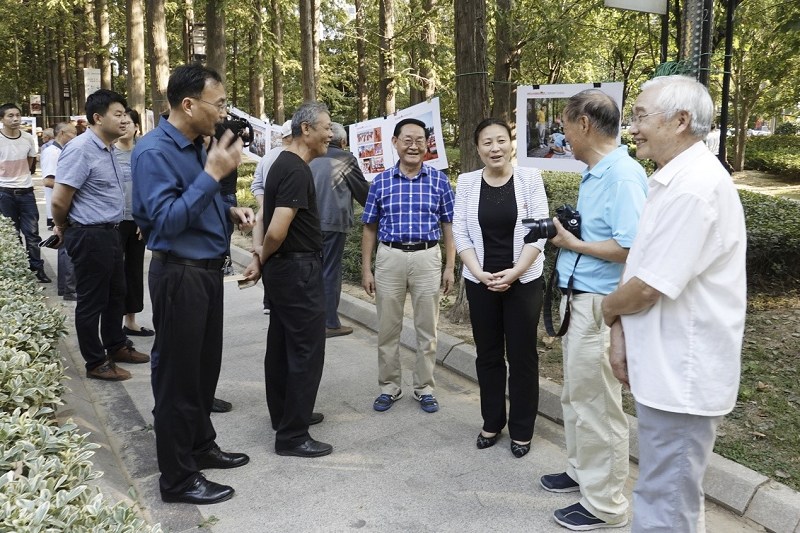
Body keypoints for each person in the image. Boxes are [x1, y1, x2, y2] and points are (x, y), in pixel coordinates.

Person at [601, 75, 747, 532]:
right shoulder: (674, 180)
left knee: (666, 500)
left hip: (682, 375)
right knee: (665, 491)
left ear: (681, 121)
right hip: (665, 367)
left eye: (641, 115)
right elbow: (642, 266)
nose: (632, 127)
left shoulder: (694, 187)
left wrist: (608, 310)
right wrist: (620, 332)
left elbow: (648, 286)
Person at [132, 64, 257, 505]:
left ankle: (201, 447)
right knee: (177, 379)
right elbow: (163, 223)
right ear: (188, 104)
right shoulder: (153, 152)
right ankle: (178, 479)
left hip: (205, 272)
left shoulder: (193, 146)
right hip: (178, 273)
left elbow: (194, 202)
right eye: (218, 103)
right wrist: (212, 174)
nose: (223, 112)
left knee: (204, 371)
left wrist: (229, 209)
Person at [540, 89, 648, 531]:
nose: (562, 134)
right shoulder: (598, 172)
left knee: (599, 404)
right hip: (578, 301)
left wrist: (572, 243)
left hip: (599, 307)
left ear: (583, 124)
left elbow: (631, 247)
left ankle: (606, 504)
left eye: (565, 125)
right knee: (576, 396)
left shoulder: (622, 176)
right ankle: (582, 472)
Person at [452, 118, 548, 458]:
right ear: (477, 148)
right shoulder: (466, 182)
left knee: (522, 356)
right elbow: (460, 232)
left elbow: (539, 230)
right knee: (488, 355)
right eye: (487, 143)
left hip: (523, 281)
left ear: (511, 144)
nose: (495, 148)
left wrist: (515, 271)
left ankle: (522, 429)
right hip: (480, 281)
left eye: (501, 141)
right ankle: (492, 421)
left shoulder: (529, 178)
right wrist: (478, 272)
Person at [243, 102, 333, 458]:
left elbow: (264, 216)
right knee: (306, 349)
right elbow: (277, 229)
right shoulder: (295, 169)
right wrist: (261, 258)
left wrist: (258, 257)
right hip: (297, 271)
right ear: (306, 129)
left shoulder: (279, 162)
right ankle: (293, 435)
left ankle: (285, 415)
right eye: (326, 127)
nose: (332, 134)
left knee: (281, 345)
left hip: (285, 270)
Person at [51, 90, 150, 381]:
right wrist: (63, 227)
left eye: (125, 114)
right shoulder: (81, 149)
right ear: (97, 117)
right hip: (90, 234)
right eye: (117, 114)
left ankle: (116, 345)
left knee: (115, 295)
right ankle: (95, 362)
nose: (124, 120)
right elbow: (59, 199)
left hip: (110, 232)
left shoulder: (106, 148)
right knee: (92, 301)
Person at [361, 117, 456, 414]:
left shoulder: (439, 180)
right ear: (395, 143)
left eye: (419, 140)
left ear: (427, 145)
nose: (413, 146)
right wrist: (367, 268)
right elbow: (369, 228)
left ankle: (425, 387)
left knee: (428, 329)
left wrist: (450, 265)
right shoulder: (381, 181)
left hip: (428, 257)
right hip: (390, 257)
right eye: (407, 140)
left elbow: (449, 226)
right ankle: (389, 386)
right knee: (388, 328)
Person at [309, 122, 369, 338]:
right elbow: (363, 193)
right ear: (343, 142)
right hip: (333, 222)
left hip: (308, 223)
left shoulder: (310, 155)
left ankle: (313, 320)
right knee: (331, 271)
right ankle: (330, 323)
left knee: (314, 270)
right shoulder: (346, 158)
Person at [0, 102, 49, 282]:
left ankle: (37, 268)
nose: (15, 119)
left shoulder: (28, 138)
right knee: (11, 234)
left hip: (26, 192)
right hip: (4, 193)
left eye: (17, 115)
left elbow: (30, 163)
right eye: (10, 116)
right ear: (2, 119)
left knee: (32, 233)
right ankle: (19, 271)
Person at [115, 108, 153, 337]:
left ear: (137, 127)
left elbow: (150, 187)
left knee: (134, 271)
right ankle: (112, 322)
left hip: (137, 221)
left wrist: (144, 217)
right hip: (115, 221)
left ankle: (131, 320)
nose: (124, 126)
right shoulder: (109, 152)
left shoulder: (144, 152)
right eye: (121, 122)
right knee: (115, 272)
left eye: (129, 122)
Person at [251, 119, 293, 315]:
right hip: (286, 215)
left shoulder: (267, 157)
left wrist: (264, 206)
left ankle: (269, 301)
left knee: (270, 256)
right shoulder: (292, 159)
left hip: (269, 215)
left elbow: (256, 184)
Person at [40, 122, 78, 300]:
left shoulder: (61, 151)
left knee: (66, 247)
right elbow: (47, 181)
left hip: (64, 204)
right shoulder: (52, 153)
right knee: (67, 248)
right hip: (59, 206)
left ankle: (66, 287)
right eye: (73, 133)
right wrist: (73, 185)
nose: (75, 137)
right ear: (62, 133)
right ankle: (69, 289)